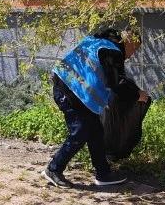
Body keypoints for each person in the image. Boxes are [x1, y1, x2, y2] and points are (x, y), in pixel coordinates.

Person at [42, 28, 149, 188]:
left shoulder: (98, 41)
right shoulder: (112, 52)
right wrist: (137, 95)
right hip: (70, 91)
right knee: (81, 131)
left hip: (72, 89)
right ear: (127, 42)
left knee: (95, 131)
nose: (132, 54)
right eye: (134, 48)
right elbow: (117, 83)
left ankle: (103, 174)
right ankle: (54, 169)